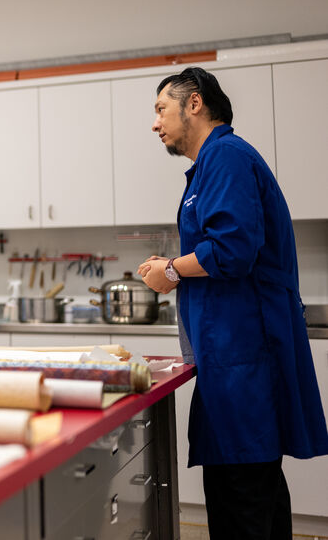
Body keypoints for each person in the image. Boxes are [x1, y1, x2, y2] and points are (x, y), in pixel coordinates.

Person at [136, 66, 328, 539]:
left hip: (244, 360)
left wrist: (174, 270)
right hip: (232, 360)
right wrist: (175, 265)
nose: (155, 123)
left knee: (243, 500)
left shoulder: (225, 157)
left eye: (161, 109)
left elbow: (233, 248)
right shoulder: (214, 164)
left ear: (194, 103)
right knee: (248, 492)